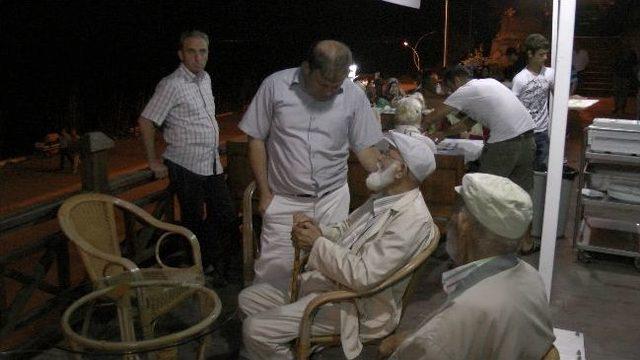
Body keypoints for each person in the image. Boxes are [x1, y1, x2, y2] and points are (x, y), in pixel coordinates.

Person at [239, 132, 439, 360]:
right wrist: (316, 230)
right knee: (247, 300)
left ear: (401, 170)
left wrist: (316, 243)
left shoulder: (412, 220)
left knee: (255, 330)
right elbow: (345, 228)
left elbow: (363, 276)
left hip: (359, 307)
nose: (379, 158)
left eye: (386, 154)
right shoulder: (384, 197)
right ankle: (293, 348)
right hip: (335, 286)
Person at [239, 40, 382, 289]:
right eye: (324, 84)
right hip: (285, 199)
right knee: (274, 274)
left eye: (335, 86)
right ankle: (266, 324)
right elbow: (256, 139)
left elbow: (364, 148)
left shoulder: (353, 95)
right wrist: (264, 193)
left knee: (326, 271)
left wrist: (388, 178)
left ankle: (308, 323)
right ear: (306, 69)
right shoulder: (275, 86)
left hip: (333, 198)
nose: (329, 91)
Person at [380, 173, 555, 360]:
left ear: (463, 224)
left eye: (455, 212)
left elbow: (440, 340)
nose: (450, 220)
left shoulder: (456, 320)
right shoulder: (532, 278)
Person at [137, 30, 238, 279]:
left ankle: (215, 262)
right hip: (185, 164)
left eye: (202, 51)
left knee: (225, 214)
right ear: (181, 54)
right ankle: (201, 268)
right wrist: (152, 160)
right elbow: (146, 120)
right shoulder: (171, 84)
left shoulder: (206, 79)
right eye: (191, 52)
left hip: (211, 163)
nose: (198, 57)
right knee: (192, 220)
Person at [425, 65, 536, 192]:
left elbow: (434, 116)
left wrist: (418, 128)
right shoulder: (489, 83)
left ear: (456, 80)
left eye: (450, 88)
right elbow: (469, 122)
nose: (451, 92)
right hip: (528, 139)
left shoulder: (465, 90)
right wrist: (444, 133)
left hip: (506, 143)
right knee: (520, 194)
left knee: (484, 191)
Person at [512, 34, 555, 171]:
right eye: (541, 54)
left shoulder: (550, 74)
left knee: (540, 170)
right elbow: (513, 107)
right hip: (525, 132)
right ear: (530, 54)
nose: (545, 58)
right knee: (524, 170)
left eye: (546, 54)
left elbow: (559, 96)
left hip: (542, 131)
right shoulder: (520, 79)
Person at [612, 48, 638, 117]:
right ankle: (618, 106)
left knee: (623, 92)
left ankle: (621, 107)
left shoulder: (631, 54)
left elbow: (634, 65)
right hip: (619, 74)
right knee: (618, 92)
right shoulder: (619, 52)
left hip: (625, 75)